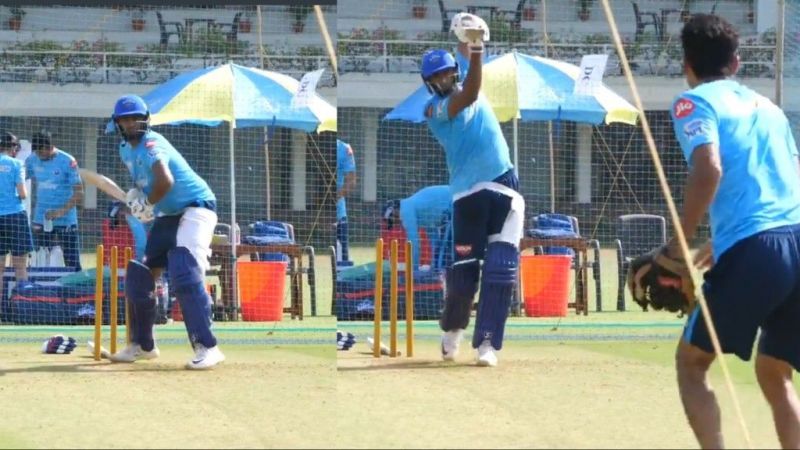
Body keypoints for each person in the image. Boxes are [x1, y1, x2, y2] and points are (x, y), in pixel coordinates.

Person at [669, 14, 800, 448]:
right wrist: (716, 241)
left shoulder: (694, 102)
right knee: (774, 369)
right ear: (737, 62)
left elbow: (709, 170)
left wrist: (677, 246)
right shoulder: (771, 108)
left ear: (687, 65)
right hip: (796, 239)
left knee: (691, 364)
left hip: (758, 250)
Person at [421, 13, 524, 367]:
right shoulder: (433, 109)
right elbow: (471, 92)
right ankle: (452, 331)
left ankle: (488, 344)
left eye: (447, 72)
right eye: (435, 77)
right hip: (467, 196)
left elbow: (466, 59)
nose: (443, 78)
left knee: (501, 268)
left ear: (454, 71)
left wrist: (467, 36)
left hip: (504, 184)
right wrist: (477, 49)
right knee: (464, 273)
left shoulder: (465, 76)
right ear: (428, 83)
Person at [107, 94, 224, 370]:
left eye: (136, 118)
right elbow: (147, 183)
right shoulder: (125, 150)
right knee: (141, 274)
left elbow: (165, 181)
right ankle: (142, 345)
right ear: (118, 124)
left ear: (145, 120)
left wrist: (147, 203)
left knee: (184, 270)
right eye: (125, 119)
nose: (131, 123)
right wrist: (139, 196)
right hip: (169, 213)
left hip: (197, 207)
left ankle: (208, 346)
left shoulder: (152, 143)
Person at [25, 130, 83, 271]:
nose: (40, 155)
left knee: (71, 259)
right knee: (41, 257)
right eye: (37, 152)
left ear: (50, 147)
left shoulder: (67, 161)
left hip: (66, 219)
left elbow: (79, 192)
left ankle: (75, 290)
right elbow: (22, 179)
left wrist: (60, 212)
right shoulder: (31, 160)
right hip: (41, 217)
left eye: (42, 152)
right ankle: (42, 289)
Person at [383, 185, 452, 271]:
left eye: (392, 220)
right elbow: (433, 237)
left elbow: (413, 242)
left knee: (446, 244)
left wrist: (413, 269)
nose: (395, 224)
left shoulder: (406, 210)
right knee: (443, 245)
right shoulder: (419, 209)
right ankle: (440, 269)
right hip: (452, 202)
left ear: (394, 211)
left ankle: (442, 270)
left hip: (452, 202)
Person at [0, 132, 33, 303]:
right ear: (13, 147)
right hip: (15, 216)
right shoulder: (16, 164)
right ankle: (24, 305)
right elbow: (23, 193)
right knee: (20, 265)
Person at [336, 139, 357, 266]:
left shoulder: (344, 148)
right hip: (318, 211)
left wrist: (335, 197)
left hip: (339, 214)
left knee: (342, 262)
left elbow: (351, 181)